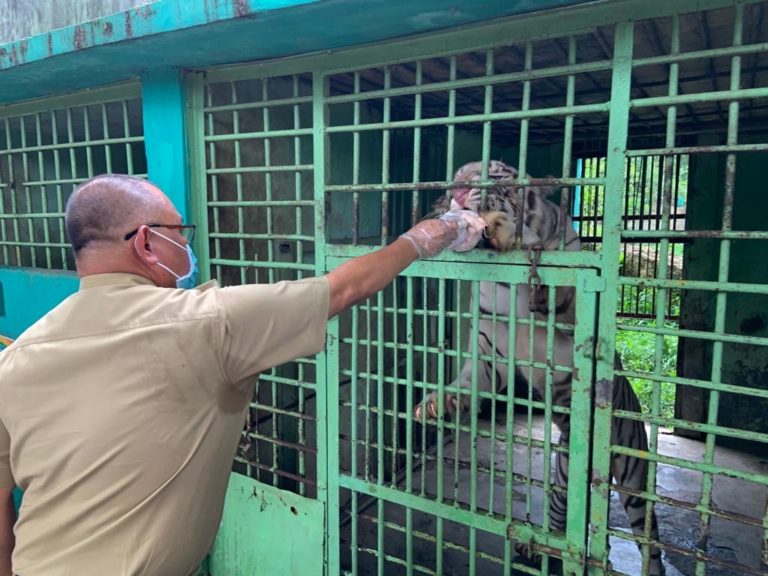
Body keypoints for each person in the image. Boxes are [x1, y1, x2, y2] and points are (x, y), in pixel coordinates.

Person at [0, 174, 458, 576]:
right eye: (179, 231)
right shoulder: (205, 322)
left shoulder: (17, 358)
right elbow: (342, 289)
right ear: (145, 242)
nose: (185, 242)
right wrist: (422, 238)